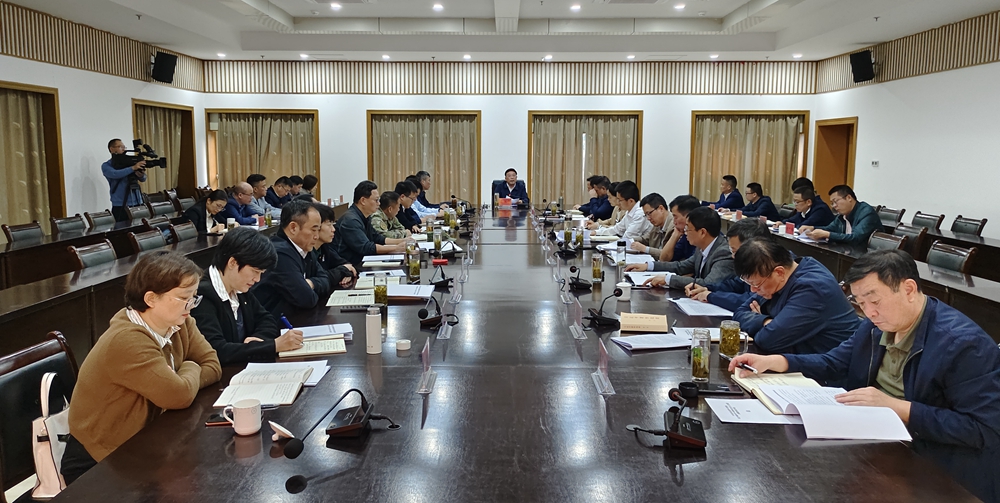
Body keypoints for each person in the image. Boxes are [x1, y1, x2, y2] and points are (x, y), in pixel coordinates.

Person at [730, 250, 1000, 503]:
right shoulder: (876, 326)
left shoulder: (962, 345)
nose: (869, 312)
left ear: (908, 289)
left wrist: (898, 408)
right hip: (878, 441)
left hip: (940, 470)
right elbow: (834, 362)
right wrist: (777, 361)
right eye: (860, 303)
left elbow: (983, 430)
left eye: (875, 301)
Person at [60, 251, 221, 484]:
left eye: (194, 297)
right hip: (100, 460)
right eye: (184, 297)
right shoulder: (126, 340)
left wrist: (182, 376)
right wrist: (192, 366)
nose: (191, 305)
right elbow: (178, 395)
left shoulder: (180, 322)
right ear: (151, 299)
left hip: (147, 442)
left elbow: (213, 364)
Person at [190, 227, 305, 366]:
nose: (257, 279)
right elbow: (216, 350)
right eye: (255, 271)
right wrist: (273, 346)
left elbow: (266, 319)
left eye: (261, 273)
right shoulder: (201, 294)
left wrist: (257, 339)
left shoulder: (238, 286)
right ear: (233, 262)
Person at [731, 237, 858, 354]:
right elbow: (739, 313)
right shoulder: (777, 276)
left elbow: (767, 340)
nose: (753, 290)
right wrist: (766, 321)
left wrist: (768, 325)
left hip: (829, 366)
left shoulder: (813, 288)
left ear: (779, 272)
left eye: (756, 284)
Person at [250, 200, 333, 318]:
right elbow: (307, 299)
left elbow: (325, 280)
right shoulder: (280, 254)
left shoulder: (304, 248)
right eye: (313, 230)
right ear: (293, 228)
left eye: (318, 230)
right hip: (274, 323)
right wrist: (312, 286)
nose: (316, 236)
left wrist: (311, 283)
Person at [626, 207, 734, 289]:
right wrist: (648, 266)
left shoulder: (723, 252)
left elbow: (708, 284)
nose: (685, 232)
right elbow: (680, 266)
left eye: (688, 229)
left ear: (702, 232)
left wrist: (668, 279)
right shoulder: (701, 247)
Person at [685, 218, 774, 312]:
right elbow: (735, 284)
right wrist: (707, 288)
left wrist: (711, 296)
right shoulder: (751, 264)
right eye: (732, 251)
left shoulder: (771, 268)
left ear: (754, 247)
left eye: (735, 251)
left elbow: (750, 300)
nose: (733, 256)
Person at [332, 181, 410, 269]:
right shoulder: (351, 220)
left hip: (363, 261)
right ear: (363, 201)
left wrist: (402, 241)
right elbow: (366, 247)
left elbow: (377, 238)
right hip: (350, 266)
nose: (379, 203)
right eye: (376, 200)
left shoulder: (365, 216)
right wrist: (396, 248)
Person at [801, 185, 880, 246]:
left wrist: (827, 235)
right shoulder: (842, 215)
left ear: (849, 198)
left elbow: (855, 237)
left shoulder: (866, 213)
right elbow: (830, 228)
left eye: (835, 201)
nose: (834, 206)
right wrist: (812, 228)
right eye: (832, 203)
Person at [585, 180, 652, 241]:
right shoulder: (629, 212)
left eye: (620, 200)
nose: (618, 202)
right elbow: (616, 229)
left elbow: (627, 237)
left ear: (630, 201)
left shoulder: (639, 214)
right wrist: (596, 232)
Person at [101, 138, 147, 222]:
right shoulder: (106, 165)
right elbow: (115, 174)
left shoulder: (129, 163)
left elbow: (143, 179)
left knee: (140, 227)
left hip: (138, 202)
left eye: (124, 147)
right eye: (120, 147)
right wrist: (133, 168)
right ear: (112, 149)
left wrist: (141, 175)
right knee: (122, 228)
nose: (123, 149)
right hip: (120, 204)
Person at [313, 203, 357, 287]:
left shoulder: (324, 247)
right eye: (329, 225)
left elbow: (346, 264)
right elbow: (320, 278)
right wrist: (342, 271)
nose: (333, 229)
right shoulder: (307, 252)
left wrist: (347, 272)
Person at [650, 195, 700, 263]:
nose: (674, 222)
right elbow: (664, 259)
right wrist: (675, 235)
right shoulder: (685, 236)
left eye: (675, 217)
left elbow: (690, 266)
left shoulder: (701, 236)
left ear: (689, 216)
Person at [630, 192, 675, 258]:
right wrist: (628, 240)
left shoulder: (674, 226)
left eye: (649, 213)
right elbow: (644, 239)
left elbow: (667, 255)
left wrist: (645, 249)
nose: (648, 218)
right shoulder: (657, 225)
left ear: (661, 209)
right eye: (646, 215)